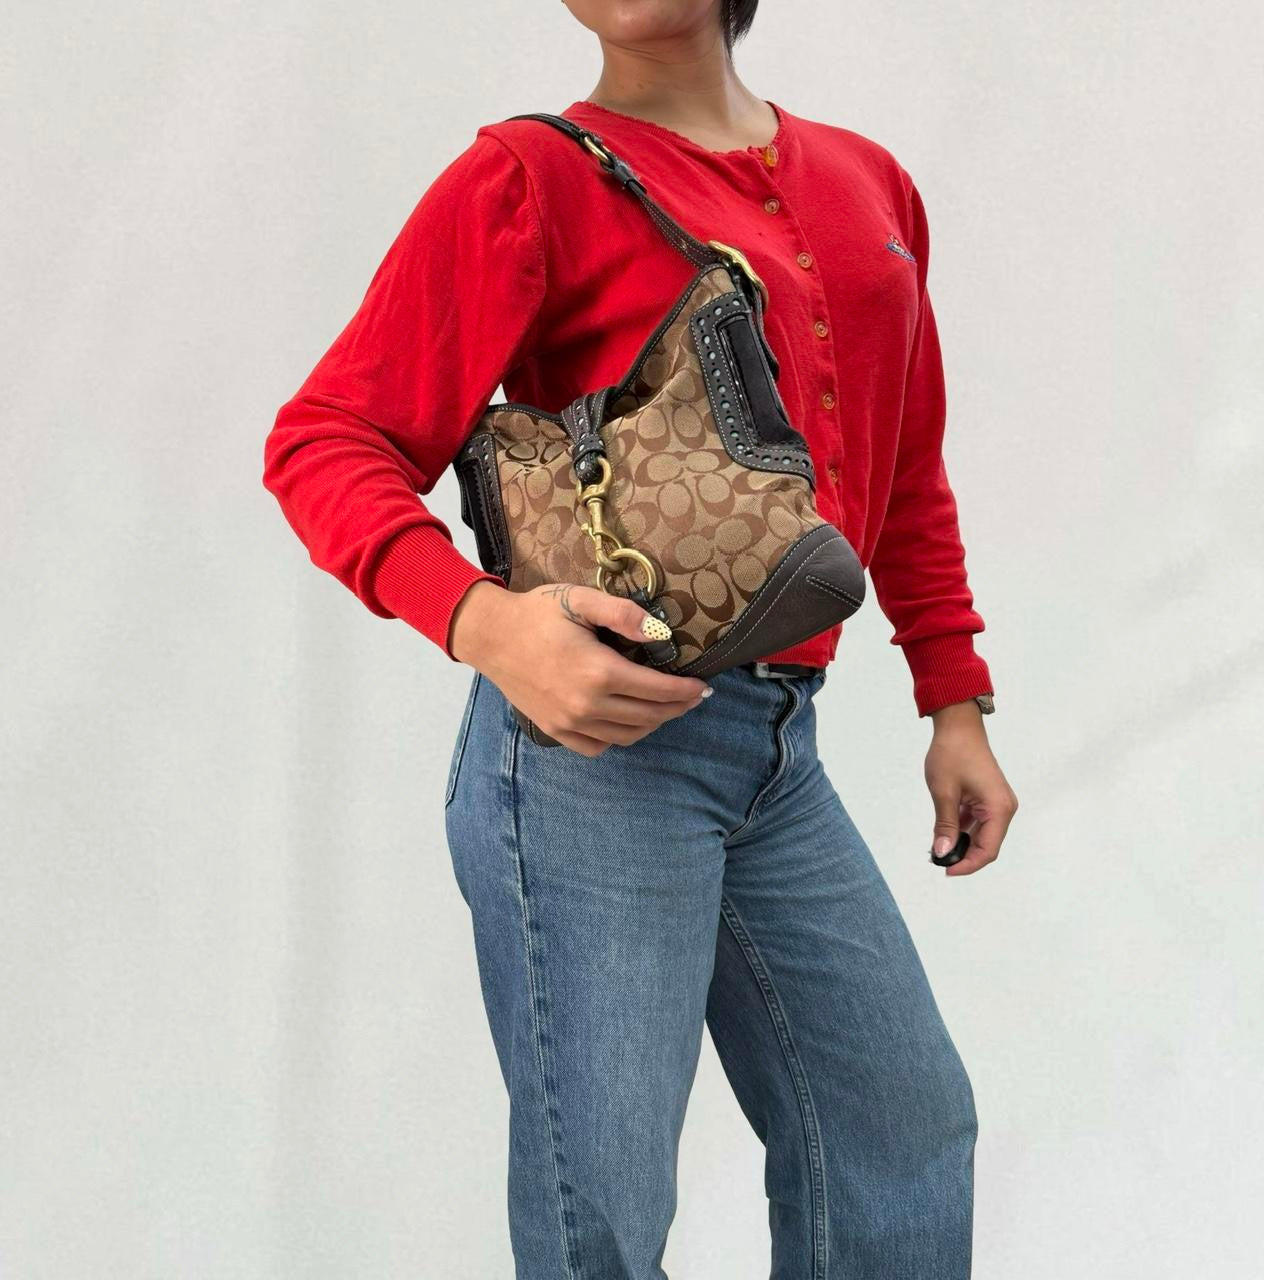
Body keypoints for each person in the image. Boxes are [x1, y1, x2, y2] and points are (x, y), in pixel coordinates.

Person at [262, 1, 1018, 1274]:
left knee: (898, 1131)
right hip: (588, 759)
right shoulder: (525, 178)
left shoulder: (868, 179)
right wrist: (483, 621)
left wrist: (951, 696)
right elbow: (326, 438)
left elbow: (904, 461)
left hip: (781, 755)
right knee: (603, 1211)